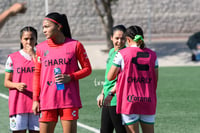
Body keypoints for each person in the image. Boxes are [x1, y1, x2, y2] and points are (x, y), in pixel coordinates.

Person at [32, 12, 92, 133]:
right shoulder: (40, 48)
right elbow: (37, 74)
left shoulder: (75, 45)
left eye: (47, 26)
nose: (44, 30)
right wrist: (35, 100)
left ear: (59, 27)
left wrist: (71, 77)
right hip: (47, 100)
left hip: (69, 100)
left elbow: (87, 69)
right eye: (43, 27)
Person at [107, 25, 159, 133]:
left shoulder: (122, 54)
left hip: (130, 101)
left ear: (128, 39)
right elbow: (155, 81)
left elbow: (110, 76)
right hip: (148, 100)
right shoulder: (153, 55)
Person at [4, 26, 39, 133]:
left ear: (36, 39)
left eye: (32, 39)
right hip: (18, 104)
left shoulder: (41, 57)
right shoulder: (12, 58)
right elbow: (6, 82)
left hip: (37, 104)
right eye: (26, 39)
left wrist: (33, 55)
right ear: (21, 40)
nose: (29, 41)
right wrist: (16, 85)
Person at [97, 25, 126, 133]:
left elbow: (122, 79)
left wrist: (111, 94)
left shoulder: (125, 54)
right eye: (117, 38)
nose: (120, 41)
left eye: (122, 38)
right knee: (104, 130)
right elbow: (107, 76)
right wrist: (102, 93)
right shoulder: (111, 52)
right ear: (111, 38)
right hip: (107, 98)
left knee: (121, 130)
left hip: (116, 99)